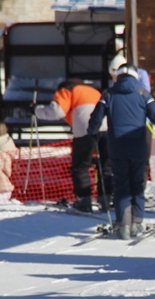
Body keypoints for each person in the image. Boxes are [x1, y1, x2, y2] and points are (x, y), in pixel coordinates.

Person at [87, 63, 155, 238]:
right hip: (138, 146)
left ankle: (123, 226)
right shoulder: (143, 94)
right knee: (137, 184)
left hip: (117, 146)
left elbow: (96, 119)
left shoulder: (108, 95)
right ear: (136, 77)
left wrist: (92, 131)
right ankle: (137, 223)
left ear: (118, 77)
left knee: (121, 185)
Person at [38, 79, 107, 211]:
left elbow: (57, 112)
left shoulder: (67, 90)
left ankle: (84, 200)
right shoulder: (93, 91)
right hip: (107, 128)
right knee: (105, 165)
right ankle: (107, 199)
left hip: (85, 129)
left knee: (80, 166)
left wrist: (37, 110)